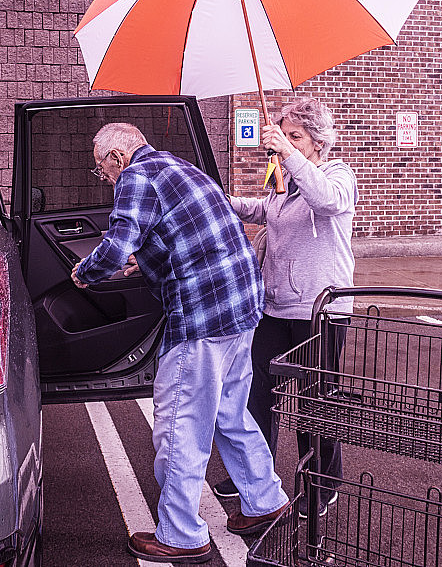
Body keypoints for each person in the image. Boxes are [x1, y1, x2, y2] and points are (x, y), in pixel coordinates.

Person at [71, 123, 288, 563]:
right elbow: (181, 230)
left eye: (102, 169)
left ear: (117, 157)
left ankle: (181, 534)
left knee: (178, 425)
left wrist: (84, 273)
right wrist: (145, 261)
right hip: (242, 303)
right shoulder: (177, 165)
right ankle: (265, 500)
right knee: (230, 410)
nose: (106, 177)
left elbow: (115, 244)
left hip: (202, 314)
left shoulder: (136, 176)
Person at [213, 97, 358, 518]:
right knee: (257, 395)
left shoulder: (337, 176)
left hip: (319, 310)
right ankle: (253, 475)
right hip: (275, 307)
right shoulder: (285, 177)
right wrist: (227, 201)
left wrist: (289, 153)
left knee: (316, 400)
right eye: (285, 135)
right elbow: (267, 210)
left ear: (317, 140)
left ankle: (322, 483)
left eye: (296, 136)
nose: (286, 143)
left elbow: (327, 201)